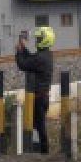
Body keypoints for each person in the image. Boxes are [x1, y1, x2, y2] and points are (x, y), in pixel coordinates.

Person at [16, 26, 55, 154]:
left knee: (39, 126)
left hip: (39, 98)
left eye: (39, 38)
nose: (37, 41)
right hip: (42, 97)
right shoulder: (45, 55)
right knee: (37, 125)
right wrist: (24, 49)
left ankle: (43, 152)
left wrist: (19, 51)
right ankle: (38, 150)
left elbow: (24, 64)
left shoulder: (41, 58)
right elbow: (30, 59)